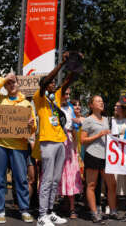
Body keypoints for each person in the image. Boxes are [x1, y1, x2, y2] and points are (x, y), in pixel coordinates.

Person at [34, 51, 79, 226]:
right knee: (46, 180)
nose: (54, 84)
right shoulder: (39, 98)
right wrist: (61, 64)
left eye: (54, 82)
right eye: (51, 82)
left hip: (61, 141)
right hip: (47, 141)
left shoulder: (55, 100)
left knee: (55, 179)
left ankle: (51, 212)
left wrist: (75, 63)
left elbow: (70, 79)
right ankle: (41, 216)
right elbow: (45, 81)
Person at [0, 73, 36, 224]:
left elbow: (33, 128)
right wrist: (3, 79)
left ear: (19, 84)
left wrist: (31, 124)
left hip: (18, 146)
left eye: (14, 82)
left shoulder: (26, 104)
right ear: (5, 86)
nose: (11, 85)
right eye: (9, 83)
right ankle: (0, 210)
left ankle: (24, 210)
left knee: (21, 179)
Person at [81, 95, 119, 223]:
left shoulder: (107, 119)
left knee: (112, 184)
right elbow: (82, 140)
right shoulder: (88, 120)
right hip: (92, 155)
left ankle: (113, 211)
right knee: (92, 185)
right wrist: (98, 135)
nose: (101, 103)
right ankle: (94, 213)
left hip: (106, 156)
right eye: (98, 101)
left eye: (102, 101)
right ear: (91, 105)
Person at [59, 88, 83, 219]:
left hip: (69, 141)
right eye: (65, 94)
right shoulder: (54, 105)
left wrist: (75, 147)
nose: (68, 97)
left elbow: (74, 126)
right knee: (59, 174)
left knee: (71, 173)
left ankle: (72, 208)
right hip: (57, 140)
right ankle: (60, 204)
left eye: (69, 94)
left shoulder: (70, 108)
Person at [112, 102, 126, 212]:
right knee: (115, 176)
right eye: (115, 106)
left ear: (123, 108)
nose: (115, 107)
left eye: (118, 106)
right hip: (115, 150)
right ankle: (113, 204)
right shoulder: (112, 120)